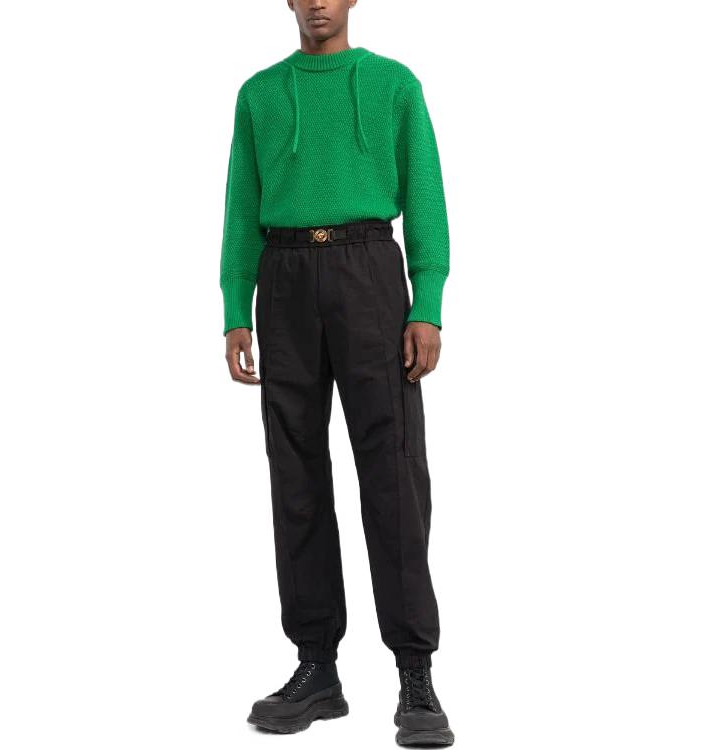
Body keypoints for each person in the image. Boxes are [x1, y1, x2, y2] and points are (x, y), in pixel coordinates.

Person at [219, 1, 453, 745]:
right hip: (283, 274)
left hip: (369, 269)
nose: (318, 1)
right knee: (295, 471)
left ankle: (415, 674)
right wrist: (235, 306)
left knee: (392, 469)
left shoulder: (394, 84)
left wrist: (428, 302)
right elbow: (240, 205)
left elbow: (425, 196)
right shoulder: (259, 94)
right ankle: (316, 666)